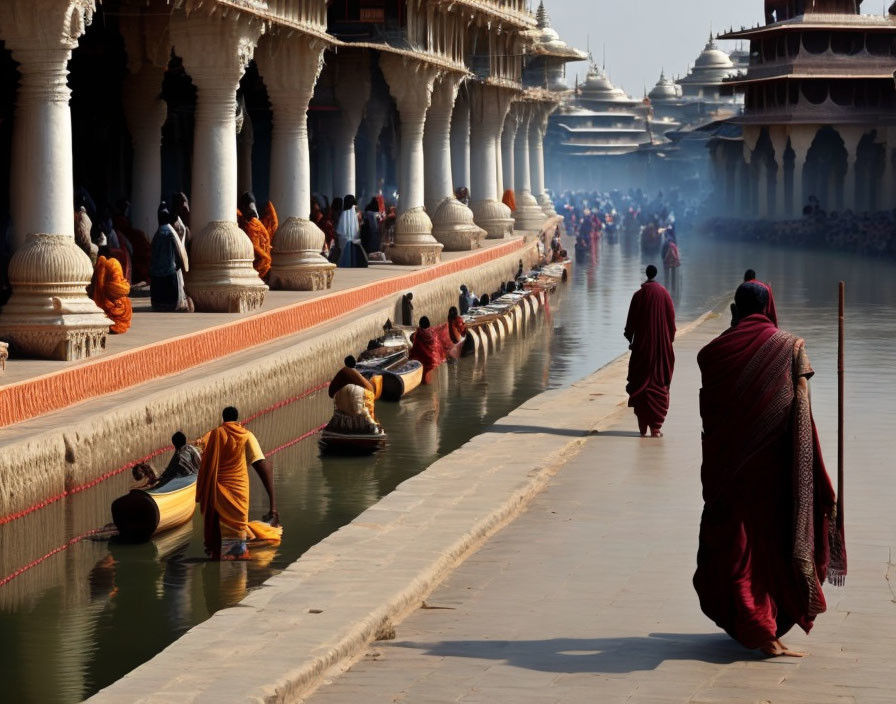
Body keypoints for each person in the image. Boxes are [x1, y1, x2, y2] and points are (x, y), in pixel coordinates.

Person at [694, 282, 845, 657]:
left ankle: (758, 628)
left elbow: (712, 416)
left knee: (736, 549)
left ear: (735, 308)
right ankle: (764, 632)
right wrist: (814, 476)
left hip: (726, 471)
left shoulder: (711, 353)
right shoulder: (790, 346)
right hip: (772, 472)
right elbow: (801, 415)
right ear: (769, 306)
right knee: (768, 546)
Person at [197, 407, 278, 560]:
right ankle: (234, 560)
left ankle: (216, 559)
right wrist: (273, 505)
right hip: (238, 492)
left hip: (216, 492)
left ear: (223, 418)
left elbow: (198, 449)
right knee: (236, 537)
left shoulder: (213, 435)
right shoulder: (246, 436)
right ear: (237, 418)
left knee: (218, 532)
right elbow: (260, 465)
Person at [623, 265, 676, 437]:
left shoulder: (638, 296)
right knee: (659, 383)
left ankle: (642, 427)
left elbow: (630, 323)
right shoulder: (665, 294)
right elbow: (671, 322)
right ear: (656, 275)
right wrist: (668, 340)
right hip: (660, 348)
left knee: (641, 384)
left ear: (646, 275)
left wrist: (631, 339)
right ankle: (656, 428)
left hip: (642, 348)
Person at [150, 203, 189, 312]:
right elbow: (178, 250)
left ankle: (160, 305)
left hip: (157, 271)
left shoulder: (157, 235)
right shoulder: (171, 234)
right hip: (170, 270)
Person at [90, 252, 132, 334]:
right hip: (113, 313)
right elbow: (121, 288)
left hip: (106, 312)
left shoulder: (98, 287)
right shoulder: (113, 265)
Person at [237, 191, 275, 279]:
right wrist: (266, 257)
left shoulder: (255, 223)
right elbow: (255, 245)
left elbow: (274, 223)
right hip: (256, 253)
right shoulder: (251, 224)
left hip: (259, 251)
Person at [336, 194, 368, 267]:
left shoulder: (344, 214)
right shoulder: (353, 212)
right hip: (353, 240)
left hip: (345, 240)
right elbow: (356, 229)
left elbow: (341, 231)